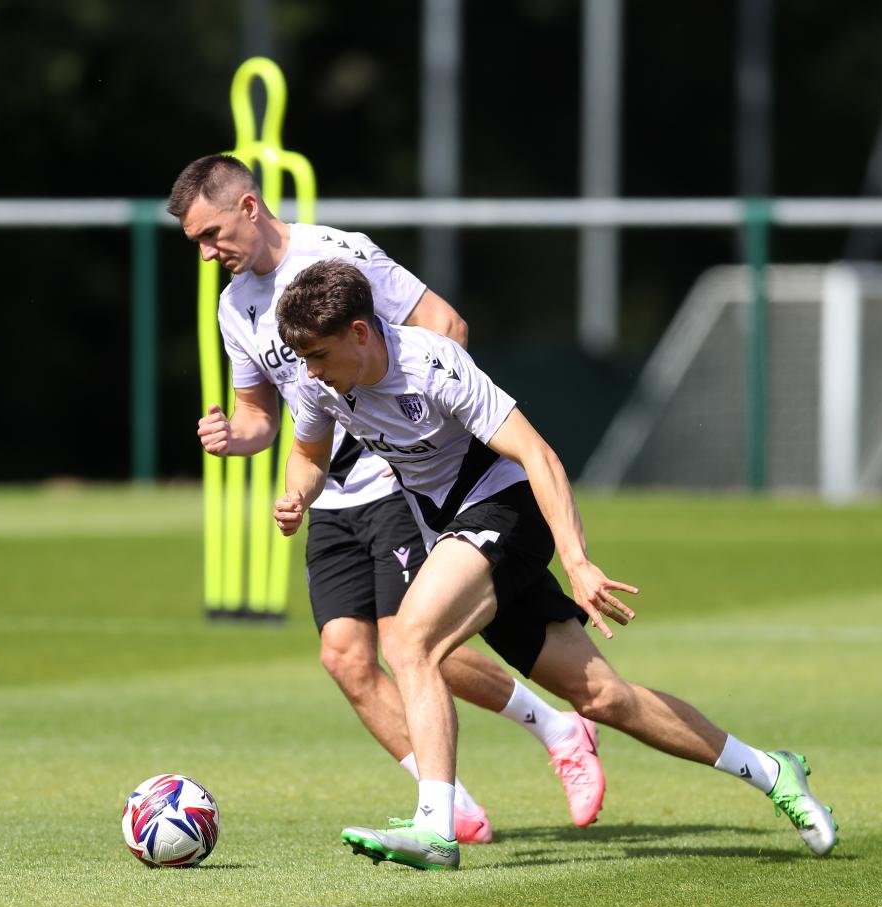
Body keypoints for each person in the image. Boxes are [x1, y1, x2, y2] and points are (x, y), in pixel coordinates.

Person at [273, 258, 840, 871]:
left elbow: (538, 455)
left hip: (506, 511)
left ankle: (435, 825)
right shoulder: (318, 383)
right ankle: (771, 770)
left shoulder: (431, 364)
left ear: (361, 333)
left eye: (319, 355)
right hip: (455, 535)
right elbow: (309, 452)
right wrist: (299, 494)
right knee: (602, 698)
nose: (310, 370)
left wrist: (578, 561)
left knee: (409, 641)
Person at [167, 154, 607, 843]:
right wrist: (234, 437)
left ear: (249, 207)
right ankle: (454, 801)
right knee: (344, 657)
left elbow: (446, 327)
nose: (206, 253)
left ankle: (546, 734)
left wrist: (399, 431)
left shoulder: (339, 253)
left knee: (413, 641)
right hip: (329, 492)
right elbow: (263, 419)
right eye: (195, 242)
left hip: (399, 484)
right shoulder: (234, 307)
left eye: (211, 234)